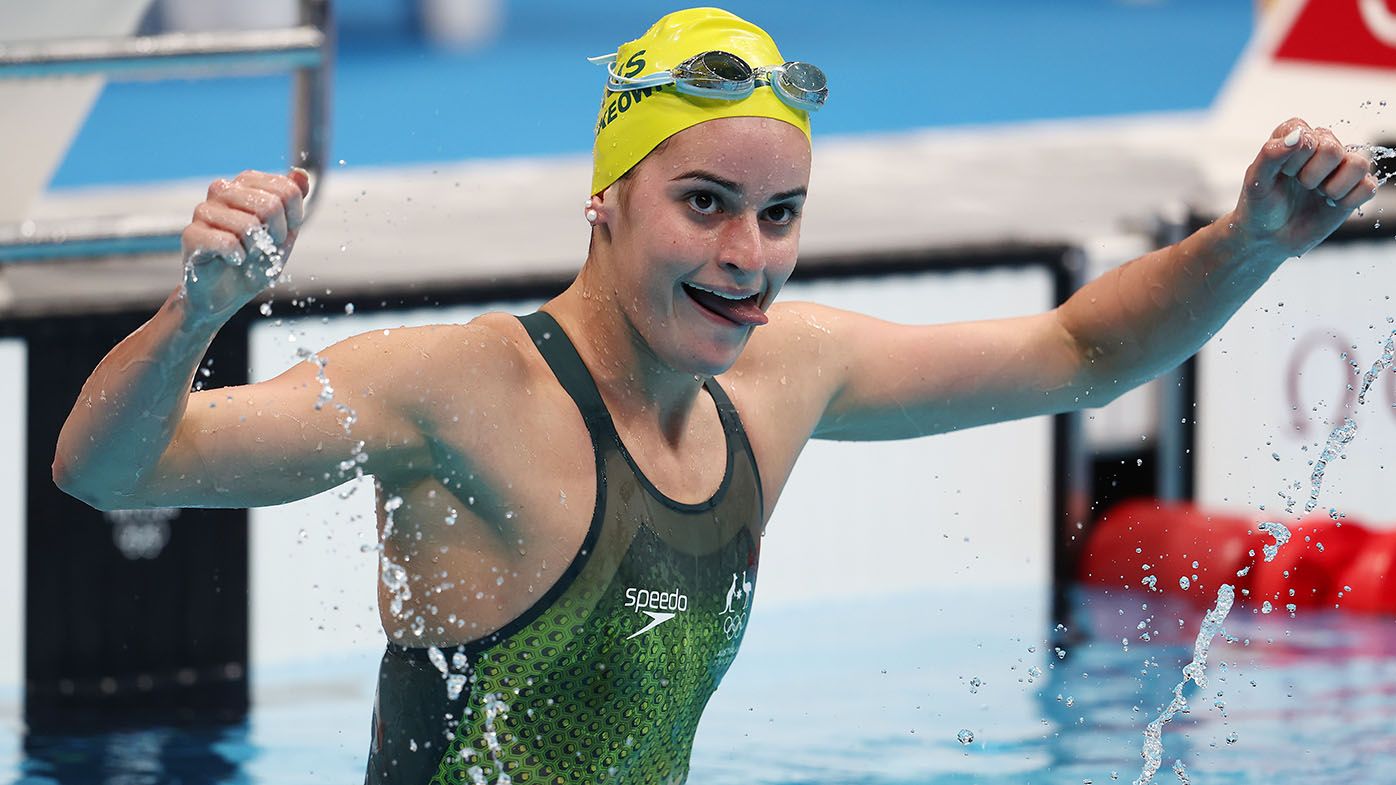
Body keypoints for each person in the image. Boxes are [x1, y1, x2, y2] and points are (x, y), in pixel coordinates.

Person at [51, 7, 1379, 785]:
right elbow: (111, 470)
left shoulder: (787, 378)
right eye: (705, 205)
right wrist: (201, 314)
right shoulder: (460, 389)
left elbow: (1086, 354)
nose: (749, 256)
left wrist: (1249, 239)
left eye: (780, 214)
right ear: (606, 198)